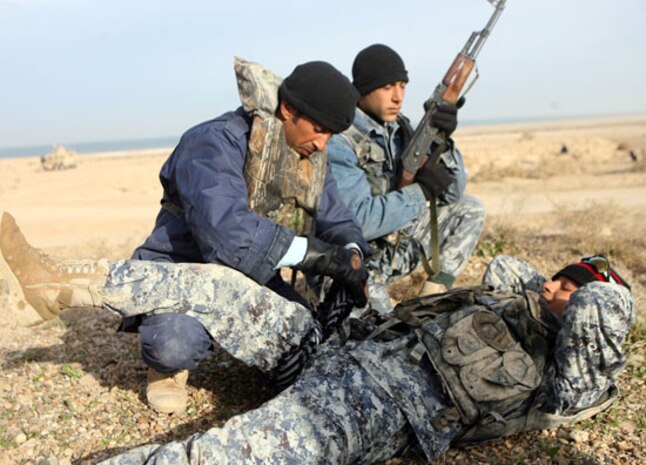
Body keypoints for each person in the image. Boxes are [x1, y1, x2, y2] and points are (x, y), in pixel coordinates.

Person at [0, 59, 373, 415]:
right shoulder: (212, 142)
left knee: (305, 335)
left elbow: (337, 217)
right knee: (174, 345)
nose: (323, 144)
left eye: (331, 135)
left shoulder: (306, 156)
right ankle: (161, 363)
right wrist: (320, 257)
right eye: (320, 130)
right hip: (180, 267)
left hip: (254, 275)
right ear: (289, 109)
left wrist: (351, 254)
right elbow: (227, 237)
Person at [94, 253, 634, 464]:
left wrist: (596, 286)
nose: (555, 287)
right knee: (218, 286)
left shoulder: (570, 378)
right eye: (559, 277)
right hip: (342, 350)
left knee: (227, 454)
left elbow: (599, 311)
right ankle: (83, 280)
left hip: (376, 405)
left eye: (573, 289)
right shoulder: (508, 301)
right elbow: (507, 267)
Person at [326, 44, 486, 313]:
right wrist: (419, 193)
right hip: (355, 260)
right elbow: (358, 223)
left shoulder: (401, 128)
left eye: (402, 85)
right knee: (380, 331)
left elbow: (451, 195)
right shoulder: (340, 141)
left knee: (469, 209)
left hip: (396, 247)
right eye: (387, 87)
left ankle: (432, 299)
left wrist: (443, 143)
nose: (398, 97)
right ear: (363, 89)